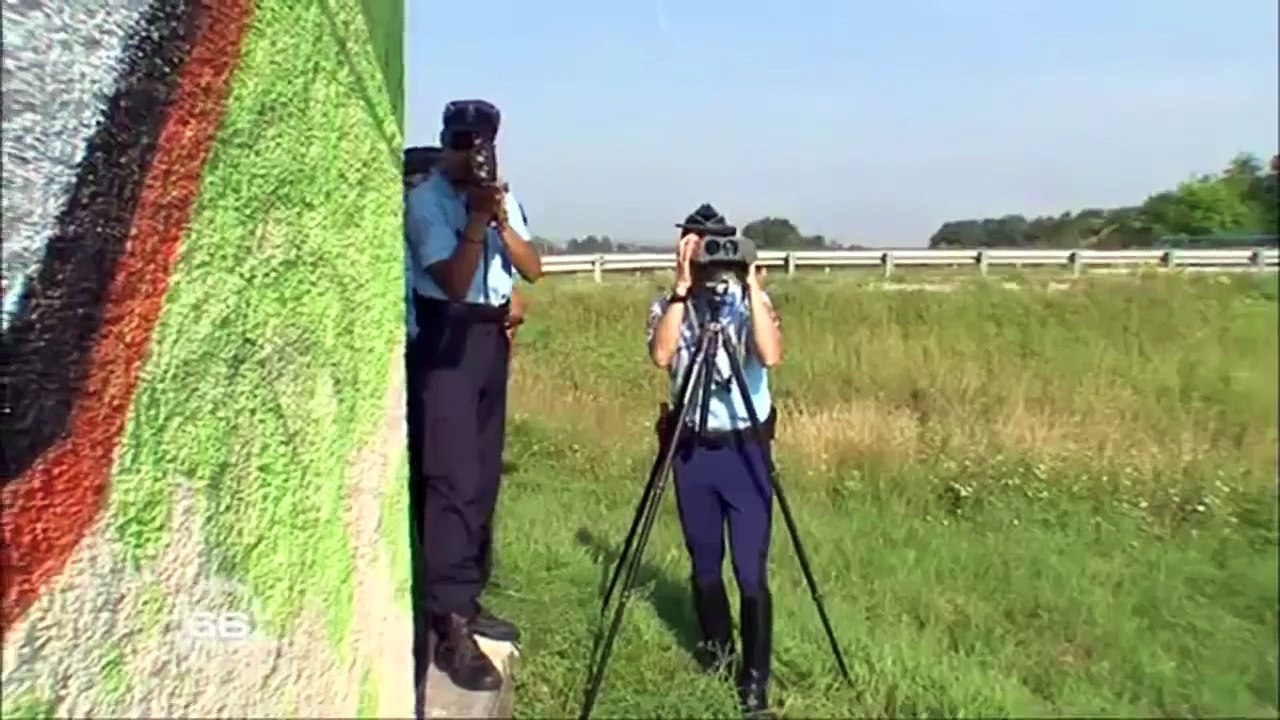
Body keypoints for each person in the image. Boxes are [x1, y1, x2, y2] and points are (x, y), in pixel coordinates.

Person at [405, 99, 543, 691]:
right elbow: (454, 281)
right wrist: (474, 223)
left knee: (483, 476)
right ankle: (448, 625)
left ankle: (470, 594)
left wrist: (500, 220)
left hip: (489, 340)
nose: (472, 154)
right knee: (450, 478)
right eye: (462, 144)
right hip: (446, 338)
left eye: (482, 145)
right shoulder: (426, 201)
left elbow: (532, 268)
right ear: (446, 144)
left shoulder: (500, 198)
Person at [645, 204, 783, 718]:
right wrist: (682, 289)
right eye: (698, 248)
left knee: (750, 569)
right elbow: (661, 357)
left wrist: (752, 288)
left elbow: (769, 356)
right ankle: (718, 653)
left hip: (745, 449)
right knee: (705, 562)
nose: (709, 260)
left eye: (718, 249)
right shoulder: (668, 305)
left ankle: (755, 681)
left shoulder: (752, 304)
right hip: (693, 449)